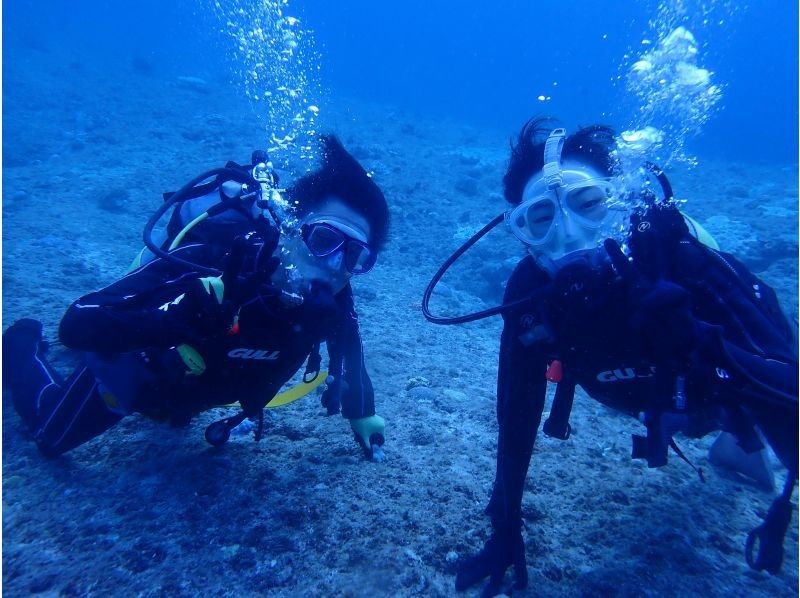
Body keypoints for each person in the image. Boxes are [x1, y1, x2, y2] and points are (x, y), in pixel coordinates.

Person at [423, 119, 798, 595]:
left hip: (714, 393)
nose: (567, 234)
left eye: (588, 205)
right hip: (639, 397)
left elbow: (790, 383)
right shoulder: (533, 294)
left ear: (616, 205)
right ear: (521, 232)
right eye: (541, 217)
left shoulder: (682, 260)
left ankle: (742, 434)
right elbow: (516, 413)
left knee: (744, 414)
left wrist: (704, 343)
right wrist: (505, 527)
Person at [3, 135, 389, 461]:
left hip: (196, 391)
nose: (334, 265)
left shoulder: (334, 300)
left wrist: (362, 414)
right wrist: (172, 322)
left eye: (355, 256)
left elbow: (349, 349)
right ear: (289, 227)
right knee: (50, 436)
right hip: (141, 374)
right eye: (323, 240)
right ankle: (18, 340)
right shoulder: (213, 260)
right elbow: (77, 323)